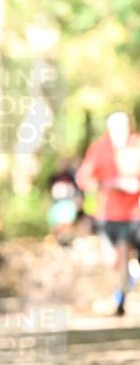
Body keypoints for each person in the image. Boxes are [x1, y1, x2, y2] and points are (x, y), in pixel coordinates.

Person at [75, 112, 140, 316]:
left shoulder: (136, 145)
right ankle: (127, 282)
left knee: (123, 255)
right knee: (113, 261)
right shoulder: (99, 148)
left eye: (124, 127)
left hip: (135, 213)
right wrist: (105, 184)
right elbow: (84, 178)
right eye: (116, 128)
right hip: (107, 214)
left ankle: (121, 298)